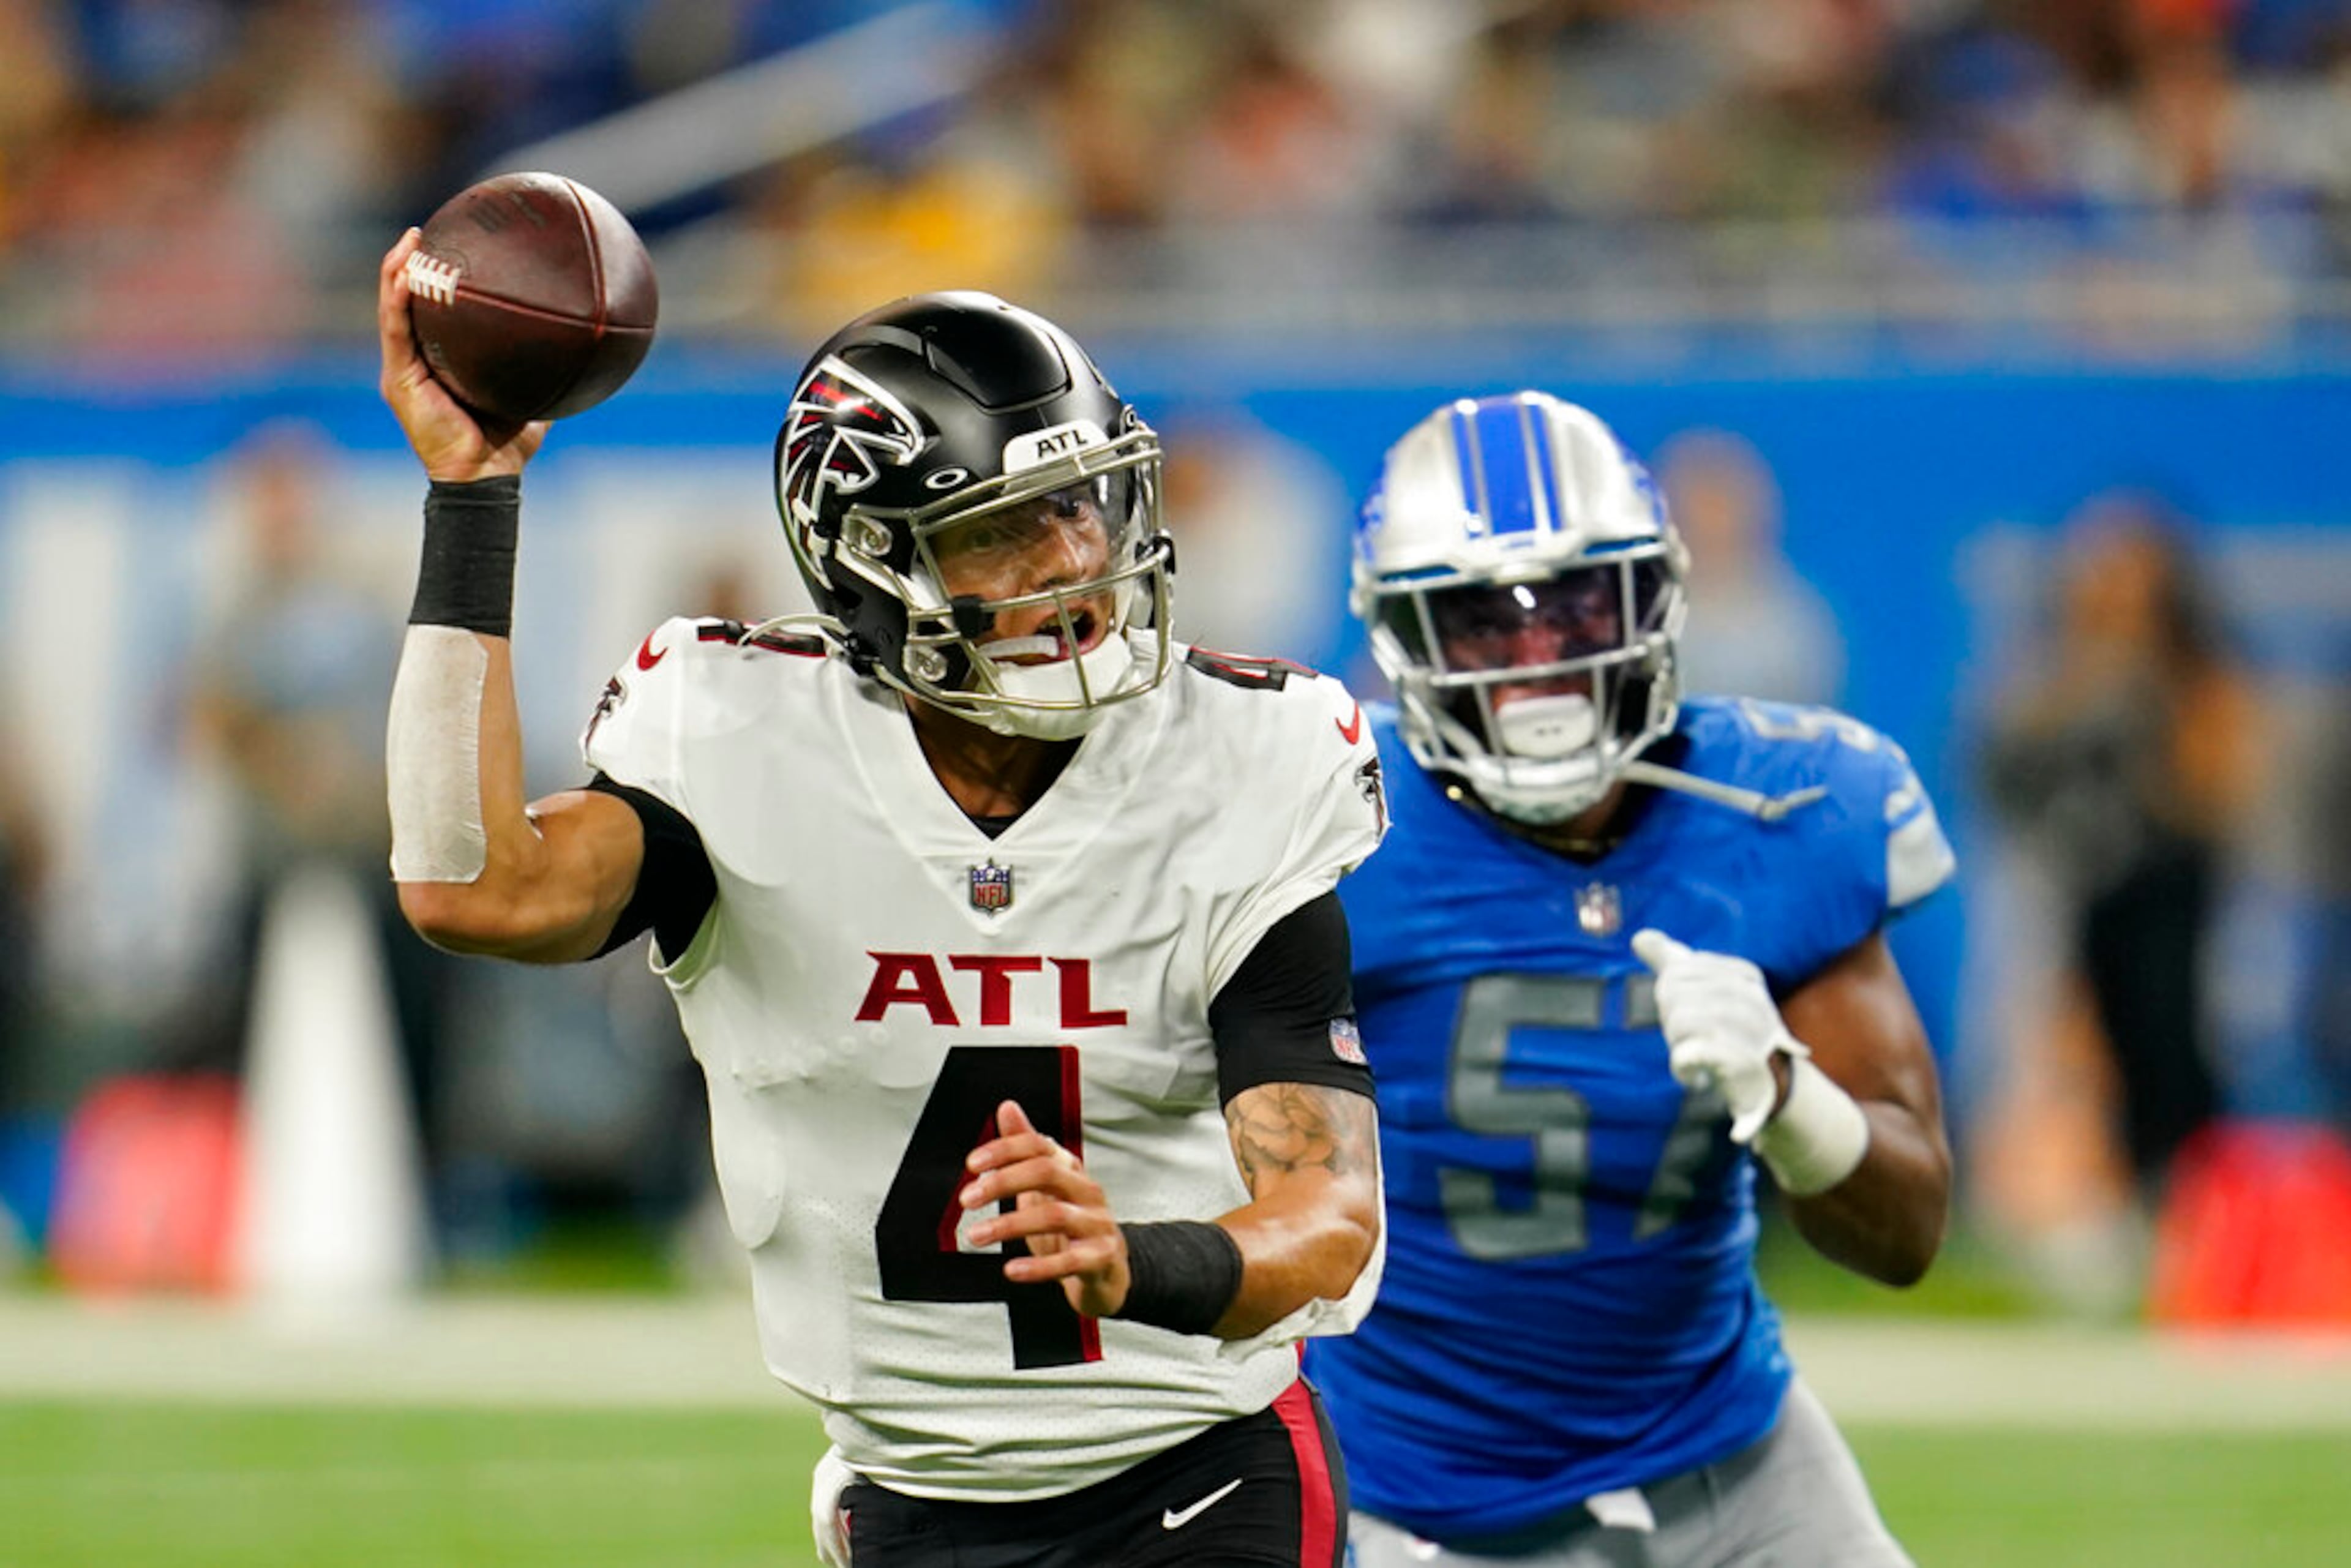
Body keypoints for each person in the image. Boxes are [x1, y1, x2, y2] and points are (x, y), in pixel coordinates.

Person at [374, 234, 1387, 1567]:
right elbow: (471, 888)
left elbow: (1333, 1229)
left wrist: (1142, 1257)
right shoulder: (740, 737)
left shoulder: (1239, 760)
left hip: (1197, 1477)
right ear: (868, 567)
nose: (1071, 561)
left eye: (1082, 502)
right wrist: (473, 498)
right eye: (1000, 530)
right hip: (903, 1498)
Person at [1308, 392, 1955, 1565]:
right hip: (1415, 1503)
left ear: (1653, 599)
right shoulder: (1316, 826)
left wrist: (1789, 1098)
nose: (1538, 662)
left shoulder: (1788, 808)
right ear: (1401, 639)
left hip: (1735, 1459)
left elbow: (1907, 1228)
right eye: (1482, 623)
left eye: (1572, 608)